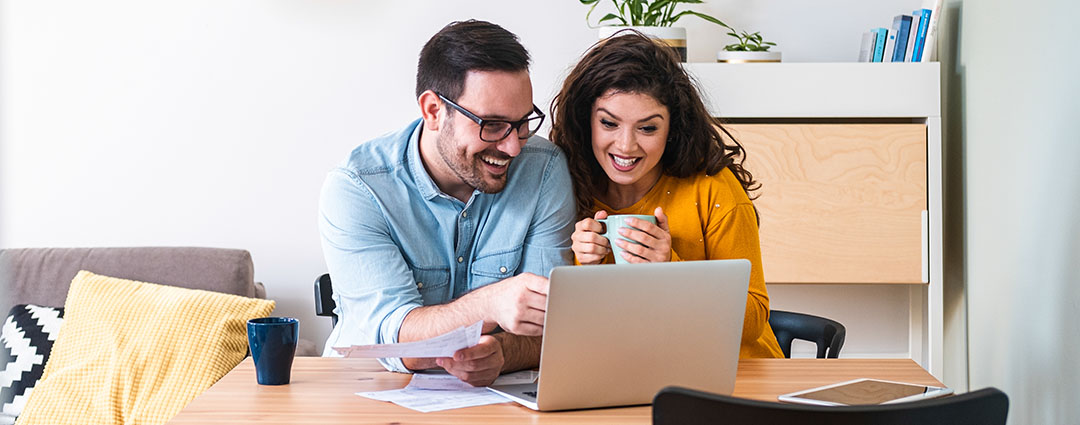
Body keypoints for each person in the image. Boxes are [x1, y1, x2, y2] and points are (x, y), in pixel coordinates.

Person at [319, 20, 576, 386]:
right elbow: (395, 338)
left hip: (495, 397)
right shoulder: (359, 188)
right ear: (433, 111)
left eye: (522, 123)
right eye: (492, 124)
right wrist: (489, 304)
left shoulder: (544, 169)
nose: (513, 147)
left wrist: (503, 354)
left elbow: (551, 327)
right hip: (365, 389)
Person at [549, 31, 784, 358]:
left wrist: (672, 270)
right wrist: (583, 267)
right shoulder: (566, 188)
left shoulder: (713, 188)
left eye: (647, 128)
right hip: (639, 369)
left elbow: (753, 320)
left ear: (672, 128)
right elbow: (580, 332)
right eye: (609, 123)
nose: (626, 145)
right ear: (585, 120)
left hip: (736, 372)